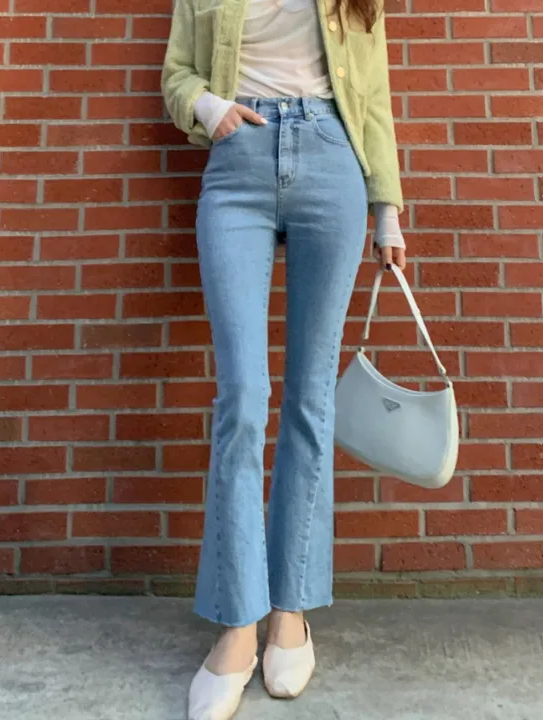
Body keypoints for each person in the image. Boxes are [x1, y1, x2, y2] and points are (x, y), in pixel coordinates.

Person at [162, 0, 406, 716]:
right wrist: (209, 107)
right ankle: (238, 622)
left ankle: (290, 611)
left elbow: (372, 92)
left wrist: (387, 211)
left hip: (331, 159)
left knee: (310, 399)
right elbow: (176, 73)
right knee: (242, 398)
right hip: (237, 164)